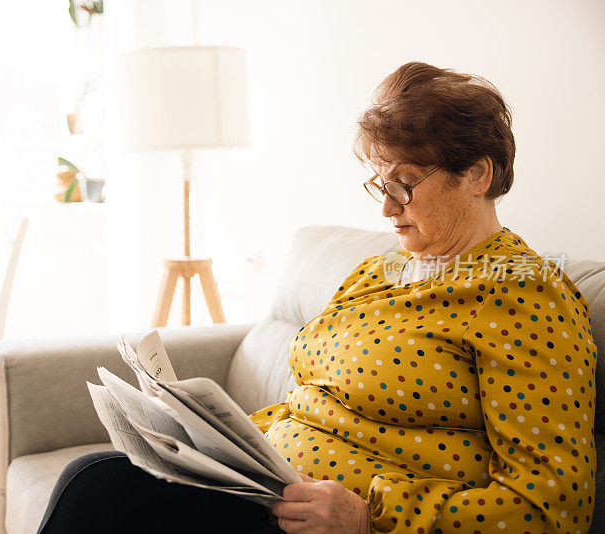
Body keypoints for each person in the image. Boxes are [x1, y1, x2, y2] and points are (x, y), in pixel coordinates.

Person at [38, 62, 597, 534]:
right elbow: (317, 399)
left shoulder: (527, 295)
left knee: (96, 492)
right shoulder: (378, 272)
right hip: (264, 485)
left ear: (477, 174)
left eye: (405, 183)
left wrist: (370, 516)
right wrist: (215, 441)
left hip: (331, 525)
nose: (386, 208)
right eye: (380, 184)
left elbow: (553, 508)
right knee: (98, 476)